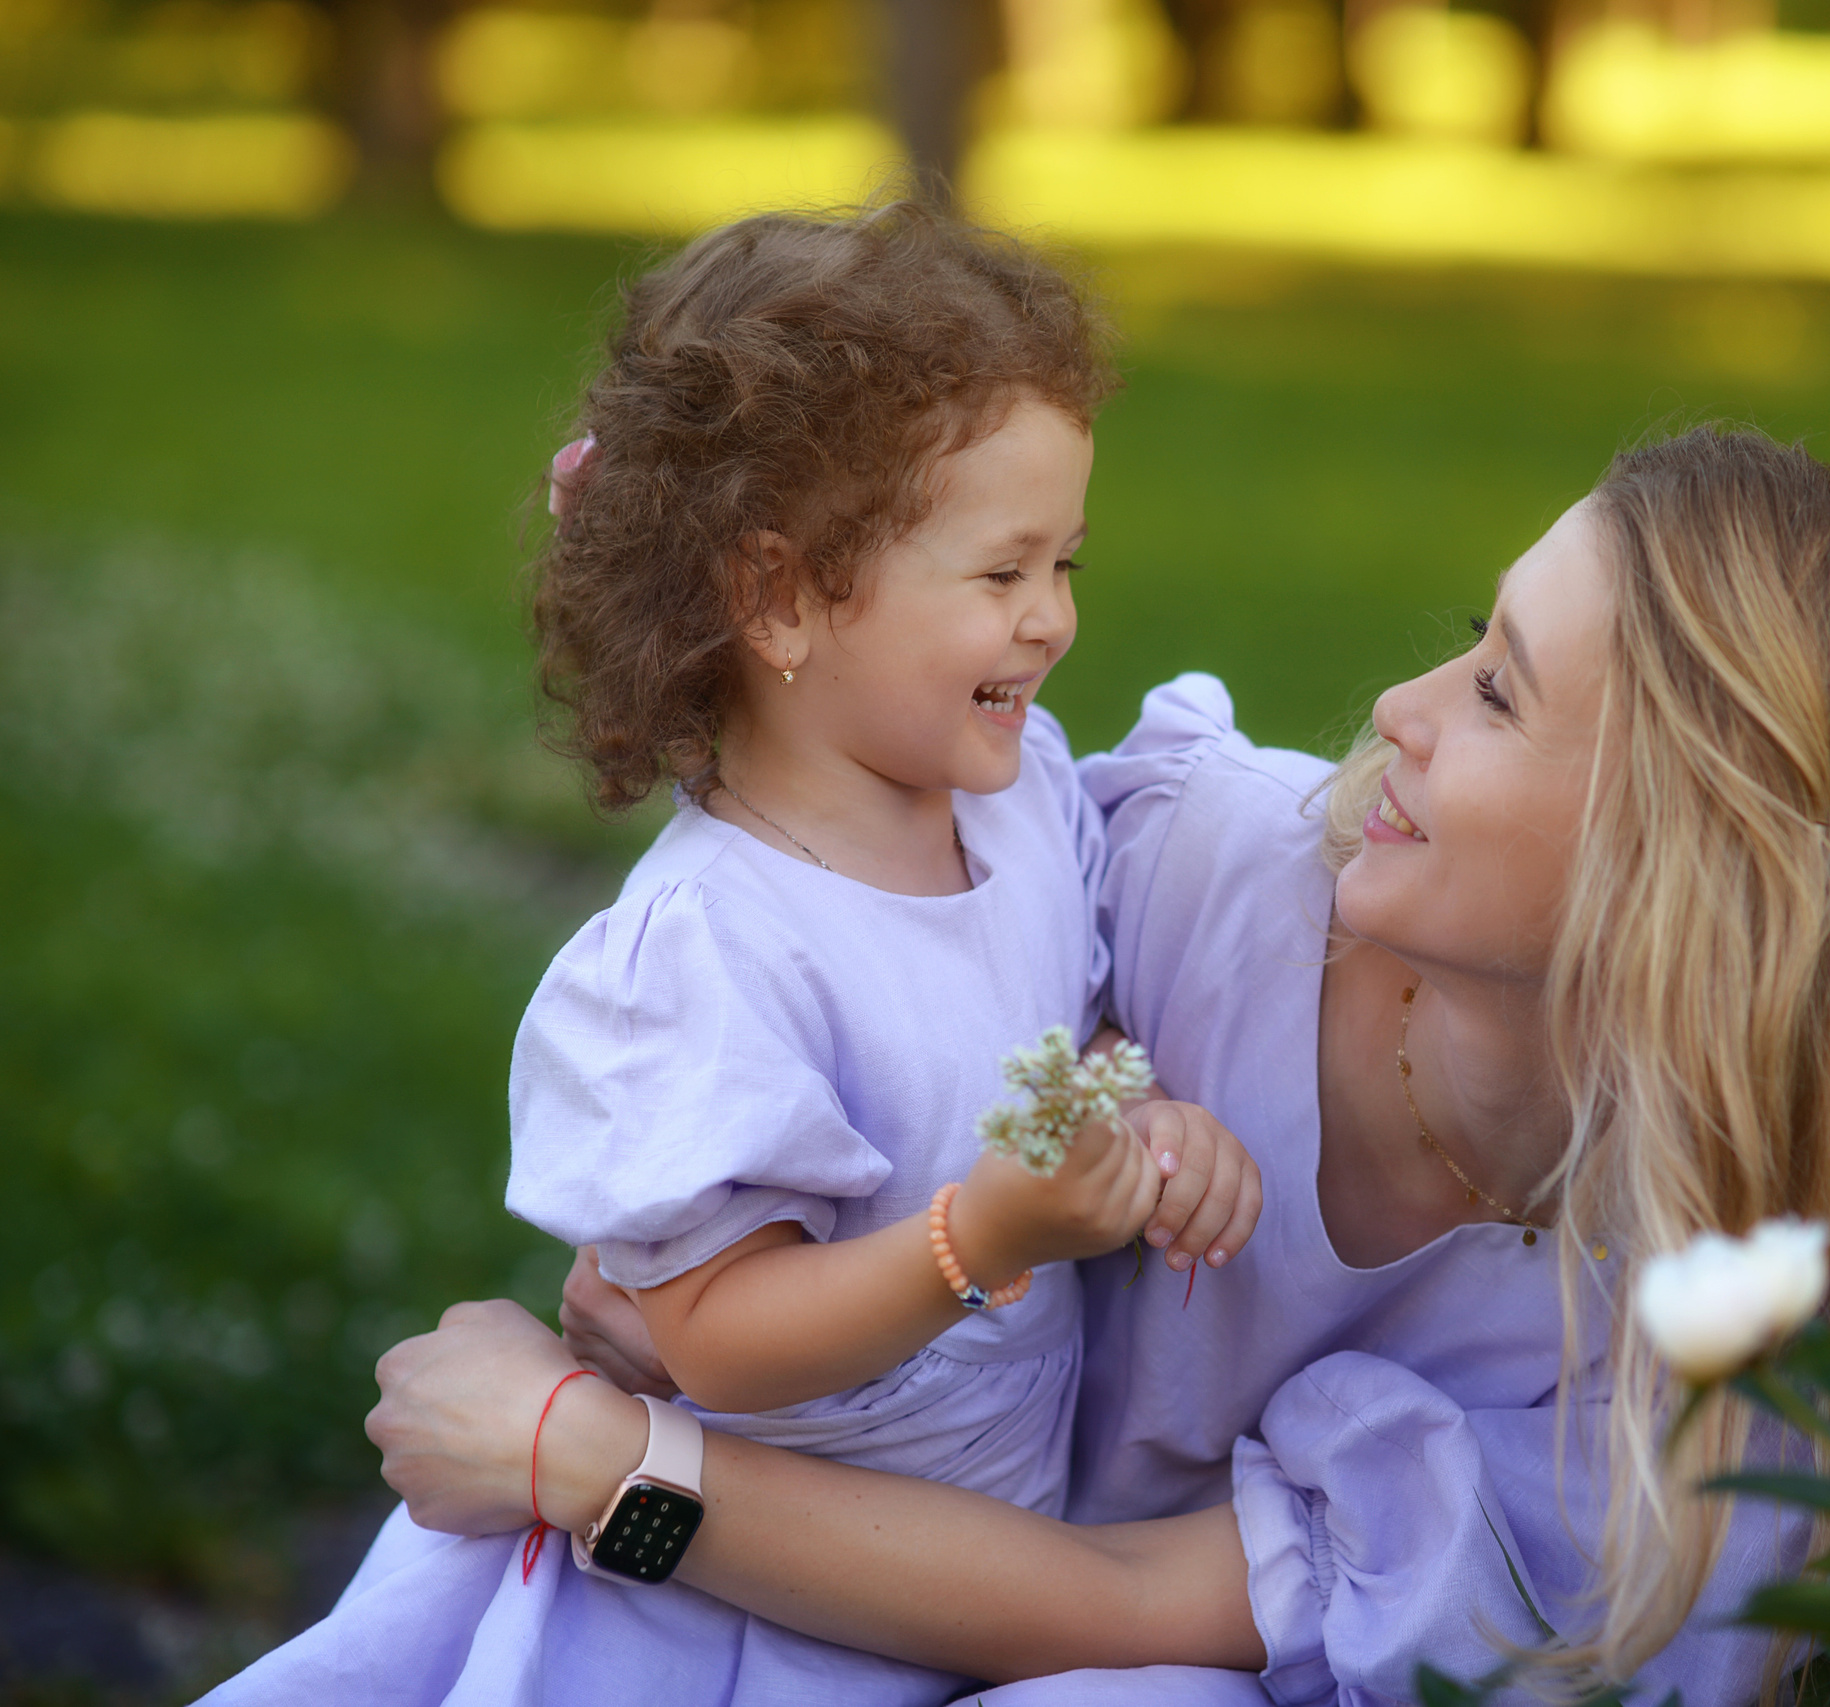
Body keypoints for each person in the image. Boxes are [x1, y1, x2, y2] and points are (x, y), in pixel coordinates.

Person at [355, 423, 1830, 1701]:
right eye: (1473, 640)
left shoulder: (1687, 1371)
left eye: (1498, 693)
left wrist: (590, 1459)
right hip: (792, 1558)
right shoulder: (1198, 869)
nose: (1401, 704)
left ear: (1689, 872)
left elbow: (1111, 1609)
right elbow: (822, 951)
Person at [204, 203, 1261, 1706]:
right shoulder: (710, 955)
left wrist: (1127, 1126)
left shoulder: (1014, 804)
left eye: (1067, 564)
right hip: (737, 1621)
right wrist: (984, 1238)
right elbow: (721, 1340)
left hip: (969, 1559)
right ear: (776, 596)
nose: (1053, 624)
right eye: (1002, 573)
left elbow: (1056, 1035)